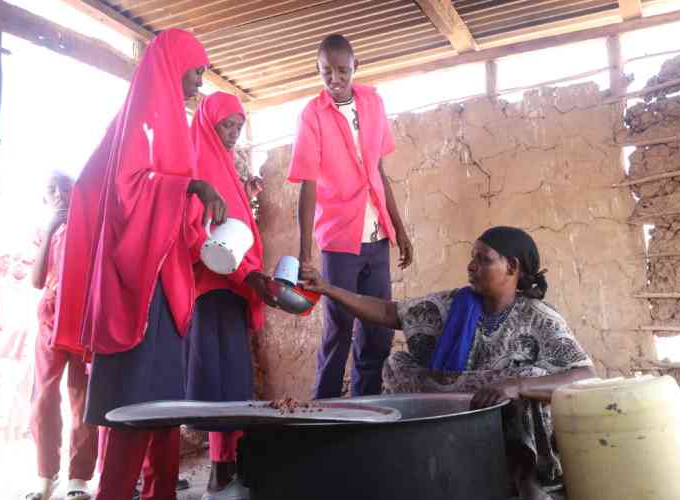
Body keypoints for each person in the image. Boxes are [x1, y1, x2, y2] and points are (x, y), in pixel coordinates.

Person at [53, 29, 226, 500]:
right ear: (173, 67)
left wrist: (199, 225)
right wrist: (189, 187)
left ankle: (160, 491)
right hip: (138, 287)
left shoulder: (169, 124)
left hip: (165, 281)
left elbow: (169, 208)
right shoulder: (141, 119)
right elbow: (126, 190)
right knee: (135, 403)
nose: (199, 83)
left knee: (165, 404)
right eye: (196, 72)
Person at [300, 226, 595, 500]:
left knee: (534, 377)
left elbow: (583, 374)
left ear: (512, 267)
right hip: (455, 407)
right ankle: (407, 464)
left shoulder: (539, 317)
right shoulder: (456, 304)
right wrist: (328, 289)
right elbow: (391, 312)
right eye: (472, 258)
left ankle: (526, 482)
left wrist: (517, 385)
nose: (471, 266)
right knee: (398, 364)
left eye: (483, 259)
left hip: (500, 420)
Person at [288, 34, 413, 399]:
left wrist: (399, 229)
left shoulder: (373, 103)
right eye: (326, 71)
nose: (335, 78)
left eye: (343, 70)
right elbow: (307, 184)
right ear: (317, 70)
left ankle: (365, 410)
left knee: (378, 331)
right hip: (339, 238)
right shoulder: (312, 115)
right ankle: (324, 411)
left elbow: (379, 170)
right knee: (338, 329)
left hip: (376, 238)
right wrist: (305, 255)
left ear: (356, 66)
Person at [187, 91, 275, 500]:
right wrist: (247, 273)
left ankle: (228, 468)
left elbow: (230, 221)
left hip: (233, 285)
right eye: (227, 125)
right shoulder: (197, 163)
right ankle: (219, 474)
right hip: (212, 288)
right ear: (209, 123)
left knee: (233, 379)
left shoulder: (222, 163)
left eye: (238, 127)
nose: (234, 133)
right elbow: (198, 233)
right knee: (219, 382)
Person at [26, 172, 97, 500]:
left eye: (65, 188)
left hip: (82, 319)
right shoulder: (44, 231)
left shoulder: (91, 226)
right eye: (51, 189)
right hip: (50, 318)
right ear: (44, 198)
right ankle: (46, 475)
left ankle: (78, 477)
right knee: (43, 395)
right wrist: (52, 227)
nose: (59, 194)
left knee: (82, 396)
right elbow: (37, 281)